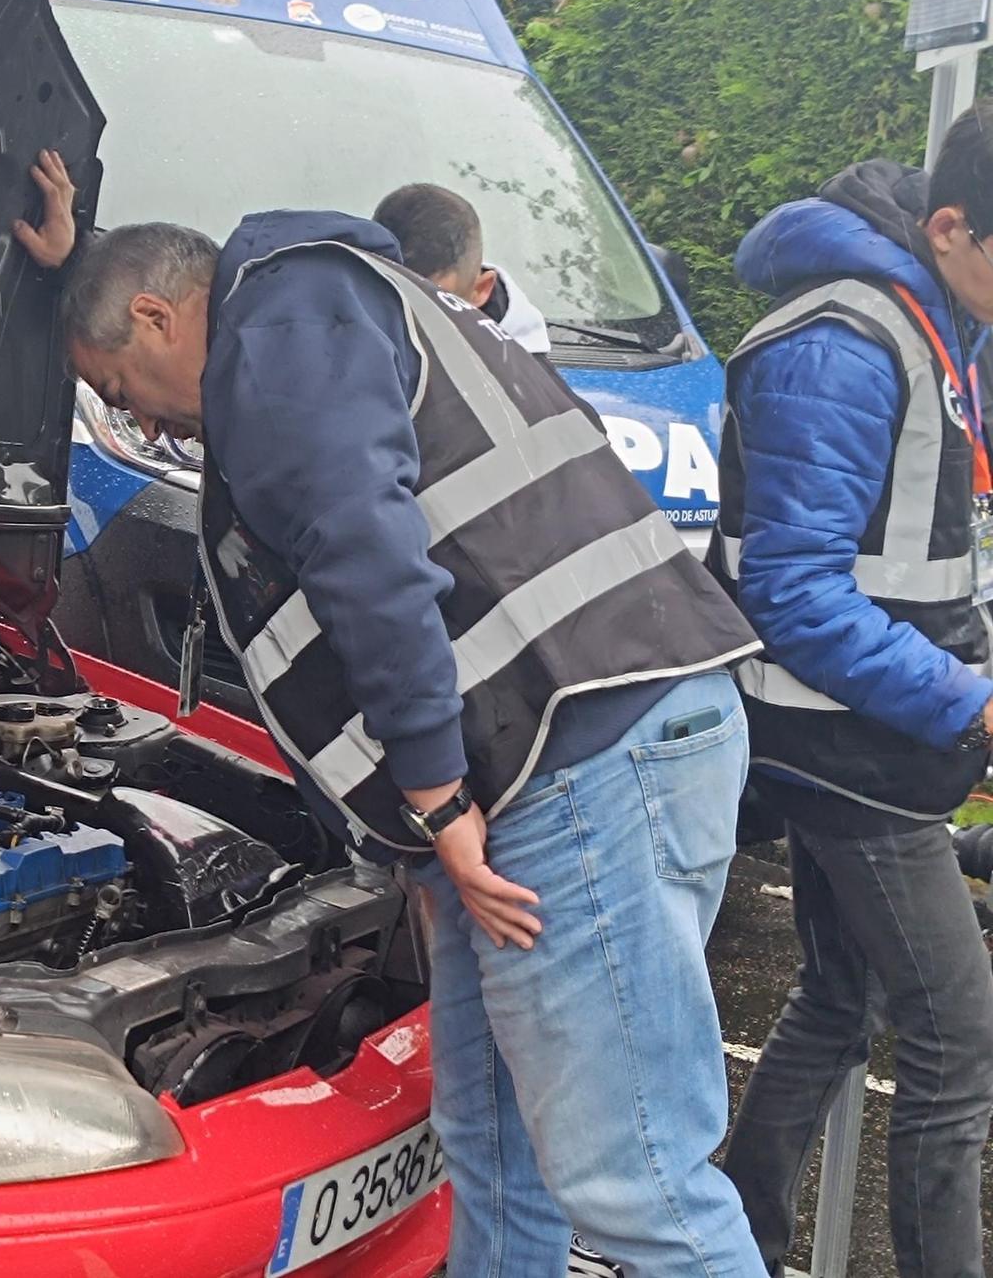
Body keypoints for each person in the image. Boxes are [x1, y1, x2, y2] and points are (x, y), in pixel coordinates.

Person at [57, 210, 764, 1277]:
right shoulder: (315, 311)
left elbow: (370, 566)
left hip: (575, 765)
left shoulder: (276, 335)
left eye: (117, 389)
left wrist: (435, 801)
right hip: (574, 751)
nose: (142, 425)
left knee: (636, 1188)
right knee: (490, 1146)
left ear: (156, 317)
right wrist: (421, 843)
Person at [712, 106, 993, 1278]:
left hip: (868, 735)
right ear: (946, 226)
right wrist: (969, 705)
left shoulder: (940, 324)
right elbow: (788, 589)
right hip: (843, 750)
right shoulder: (840, 342)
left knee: (837, 999)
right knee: (954, 1033)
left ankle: (729, 1236)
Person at [372, 181, 549, 353]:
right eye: (391, 303)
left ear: (481, 289)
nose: (408, 328)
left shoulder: (523, 379)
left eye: (434, 309)